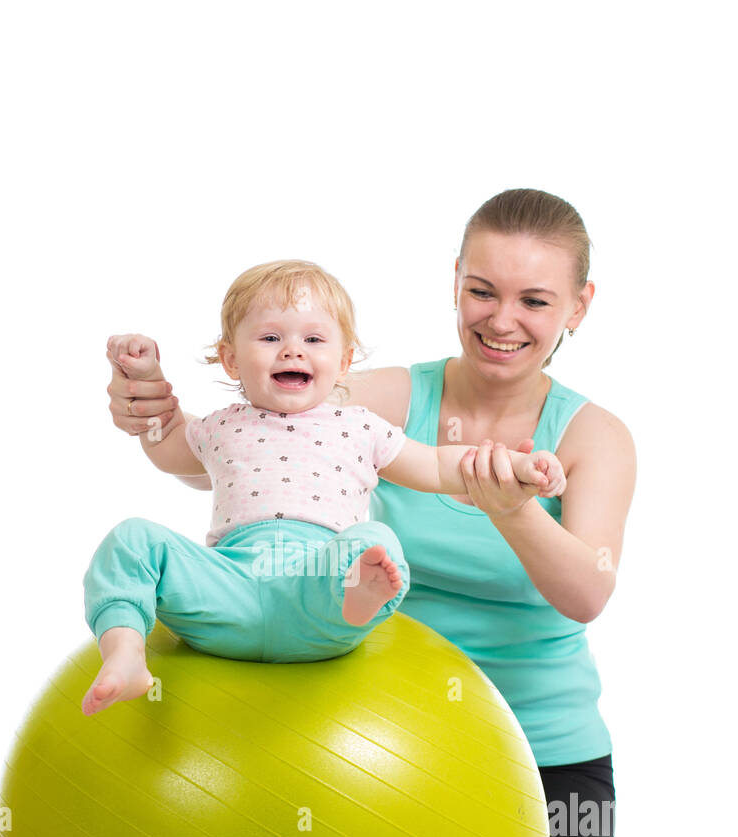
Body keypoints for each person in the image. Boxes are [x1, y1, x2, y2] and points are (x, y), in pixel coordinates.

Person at [104, 190, 637, 837]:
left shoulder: (593, 435)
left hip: (541, 743)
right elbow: (260, 445)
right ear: (455, 284)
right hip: (384, 730)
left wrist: (514, 508)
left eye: (535, 300)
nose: (503, 320)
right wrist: (154, 420)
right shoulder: (378, 394)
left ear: (579, 305)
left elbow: (587, 589)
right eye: (482, 291)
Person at [83, 258, 564, 717]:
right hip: (228, 590)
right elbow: (165, 440)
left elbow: (439, 464)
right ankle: (125, 652)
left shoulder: (360, 426)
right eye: (270, 337)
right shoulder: (219, 426)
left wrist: (517, 464)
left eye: (314, 338)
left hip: (317, 588)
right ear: (230, 359)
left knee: (375, 544)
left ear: (344, 360)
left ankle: (354, 600)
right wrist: (144, 377)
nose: (293, 350)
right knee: (131, 539)